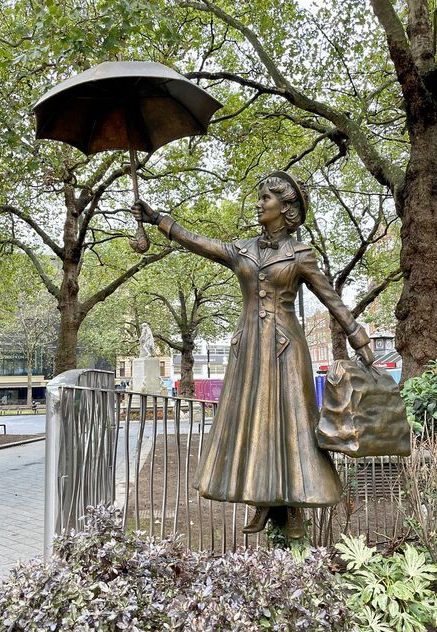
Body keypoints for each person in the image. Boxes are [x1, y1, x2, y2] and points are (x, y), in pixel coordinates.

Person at [132, 171, 373, 538]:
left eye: (266, 199)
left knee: (293, 425)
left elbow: (331, 298)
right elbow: (198, 241)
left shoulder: (300, 254)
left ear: (285, 207)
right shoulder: (241, 249)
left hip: (286, 348)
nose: (259, 204)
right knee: (255, 423)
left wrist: (358, 336)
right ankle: (262, 499)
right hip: (248, 348)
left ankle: (295, 504)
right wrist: (159, 220)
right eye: (260, 198)